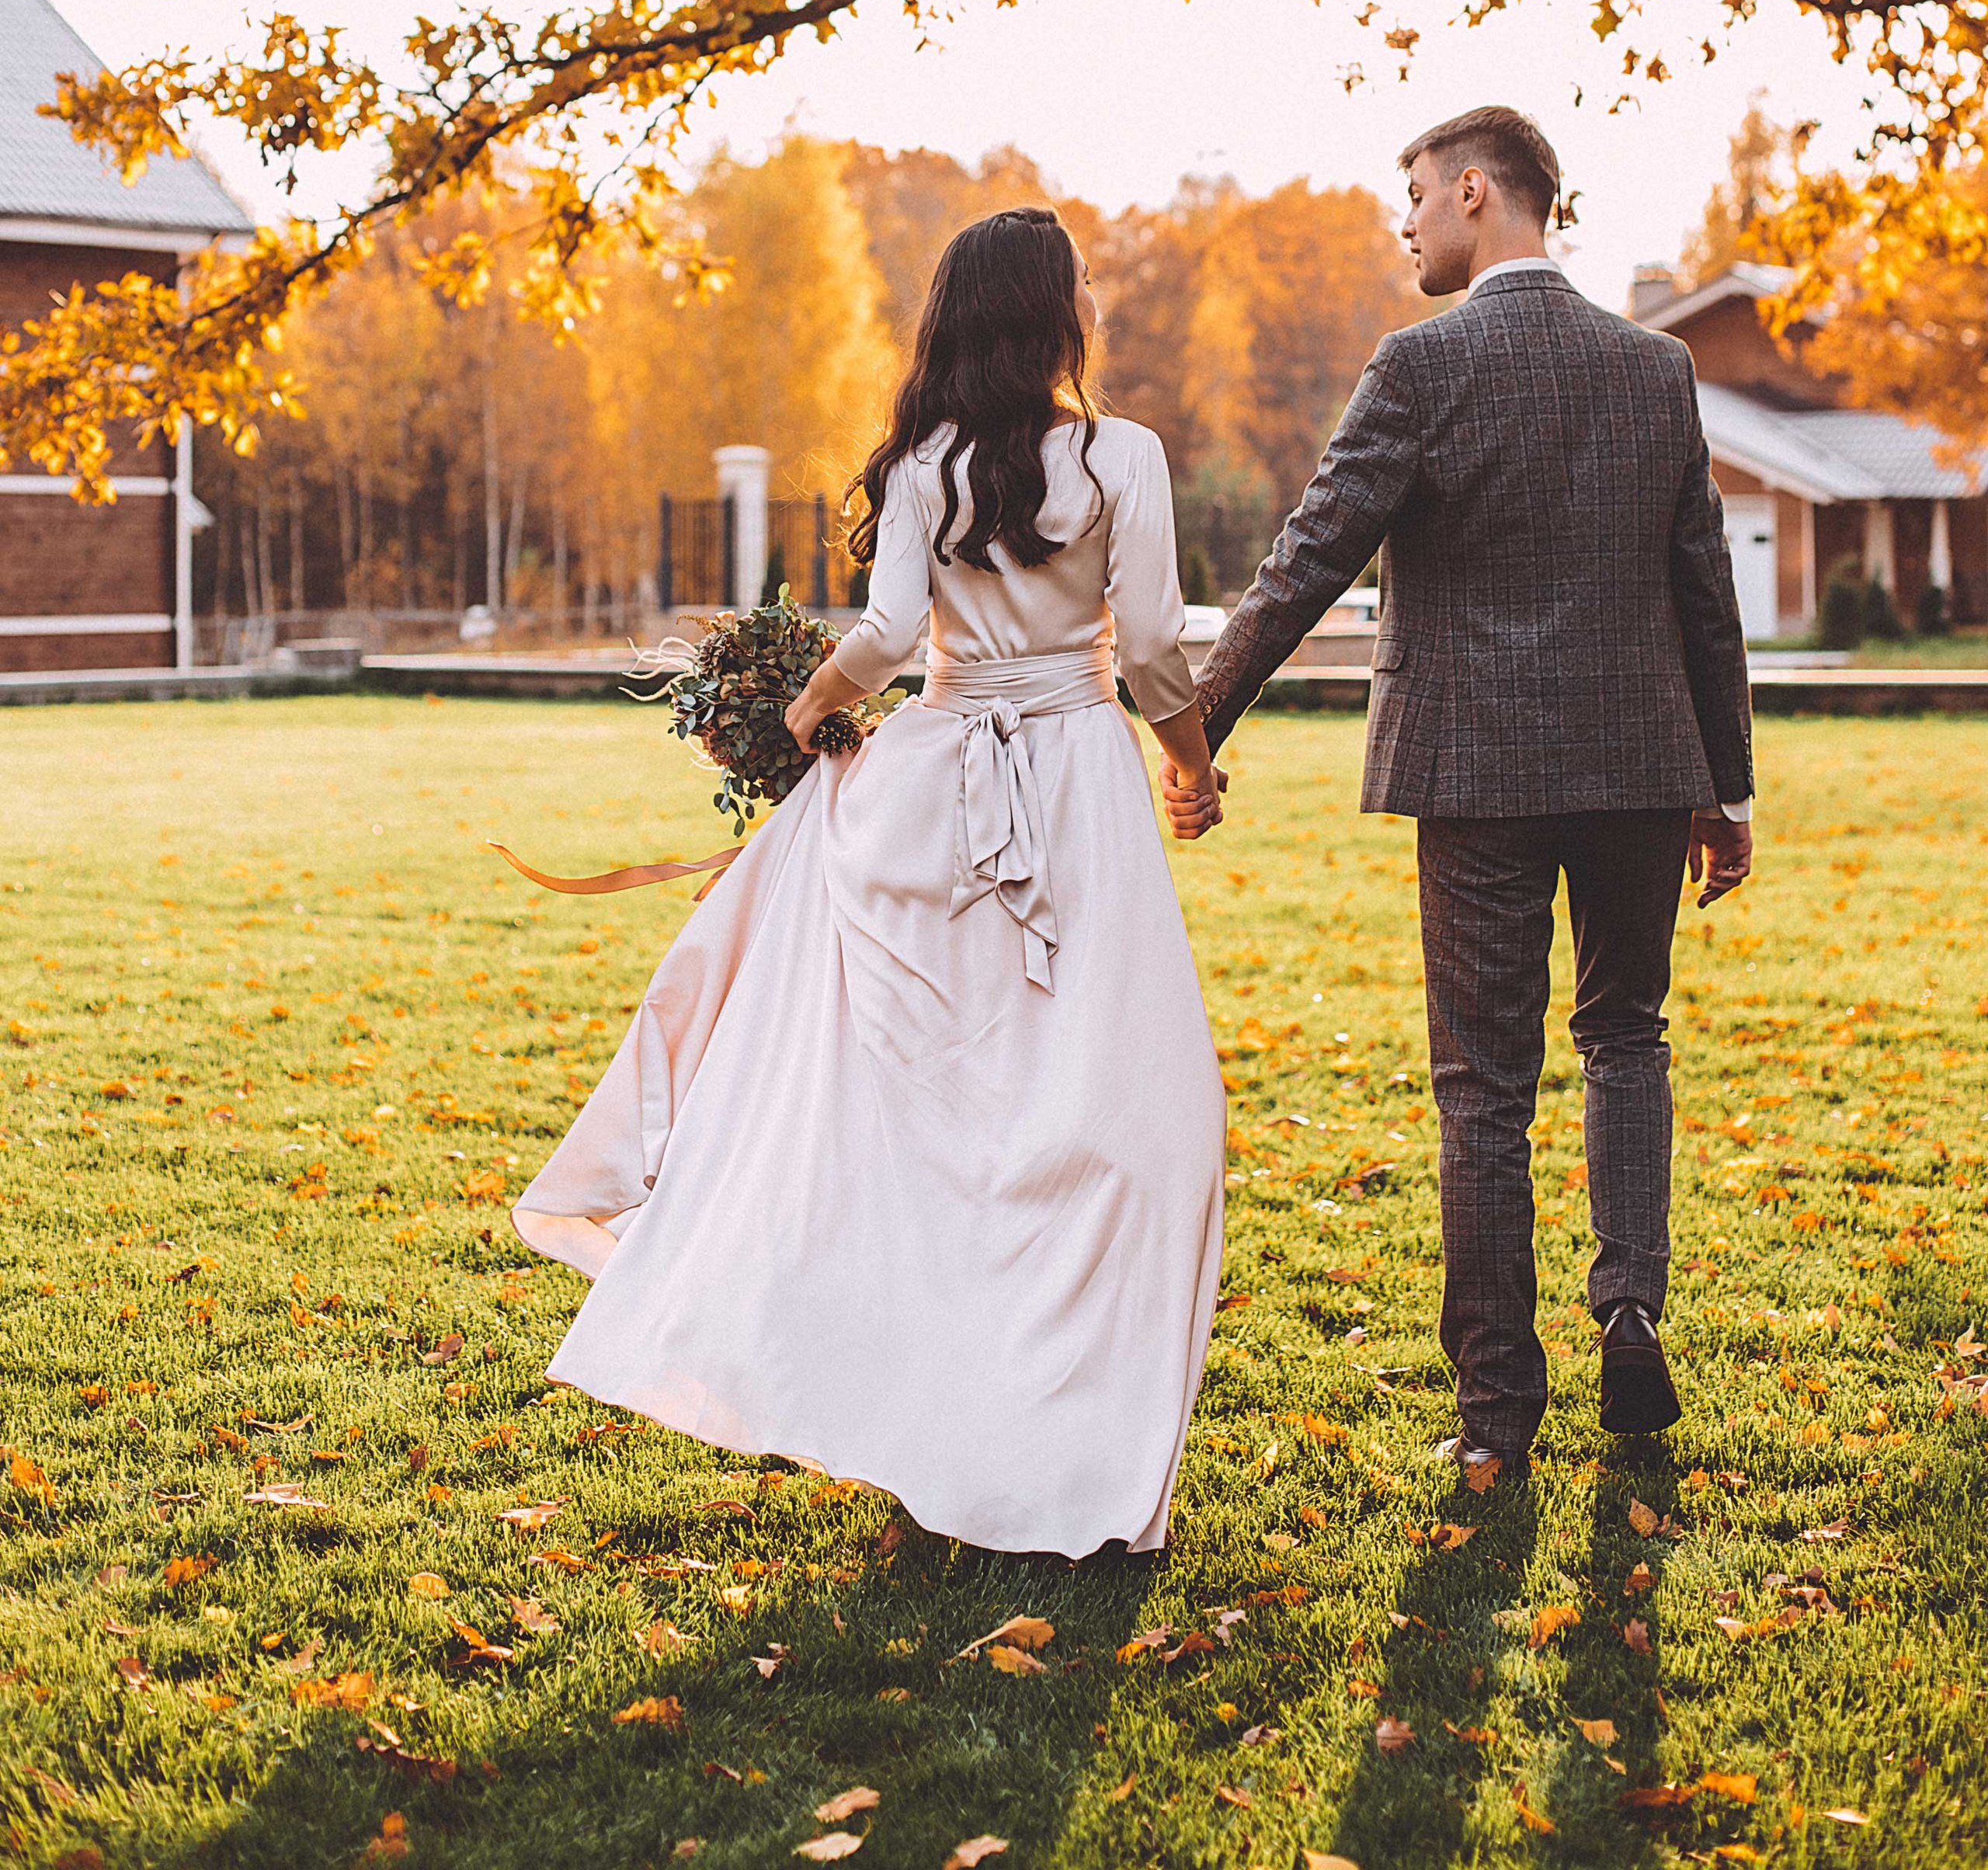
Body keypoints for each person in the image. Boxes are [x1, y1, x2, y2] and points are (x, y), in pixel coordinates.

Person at [513, 207, 1229, 1556]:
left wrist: (810, 709)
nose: (1094, 301)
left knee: (939, 1119)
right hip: (1077, 789)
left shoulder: (920, 467)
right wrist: (1189, 767)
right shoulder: (1120, 456)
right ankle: (1035, 1437)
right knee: (1123, 1109)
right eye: (1081, 284)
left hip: (931, 795)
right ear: (1049, 311)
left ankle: (957, 1437)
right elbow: (1148, 646)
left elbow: (890, 635)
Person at [1169, 106, 1753, 1486]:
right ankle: (1629, 1306)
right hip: (1639, 767)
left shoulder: (1422, 365)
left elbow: (1311, 554)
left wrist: (1197, 726)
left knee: (1483, 1090)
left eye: (1418, 198)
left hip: (1477, 775)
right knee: (1626, 1036)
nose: (1408, 225)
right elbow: (1704, 589)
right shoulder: (1656, 368)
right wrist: (1724, 788)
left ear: (1478, 192)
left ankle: (1497, 1411)